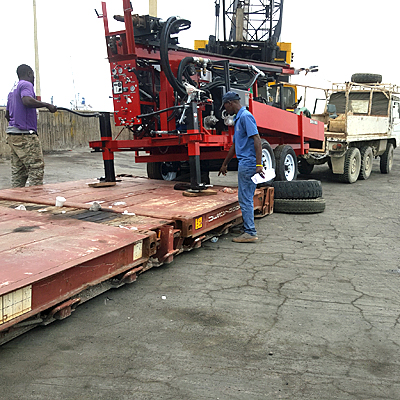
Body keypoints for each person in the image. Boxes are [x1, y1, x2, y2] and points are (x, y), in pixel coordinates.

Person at [218, 91, 264, 243]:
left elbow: (257, 139)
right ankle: (247, 227)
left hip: (249, 163)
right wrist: (225, 164)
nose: (225, 110)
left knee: (245, 198)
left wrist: (259, 164)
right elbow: (234, 145)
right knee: (245, 197)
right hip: (245, 163)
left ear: (230, 103)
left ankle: (250, 232)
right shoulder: (239, 119)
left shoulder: (245, 117)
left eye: (225, 105)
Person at [5, 64, 57, 187]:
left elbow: (7, 115)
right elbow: (27, 101)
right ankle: (35, 200)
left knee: (19, 172)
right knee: (36, 168)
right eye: (33, 75)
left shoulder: (12, 90)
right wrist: (47, 105)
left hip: (13, 135)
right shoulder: (26, 85)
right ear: (29, 73)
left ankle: (16, 200)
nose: (33, 79)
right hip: (25, 135)